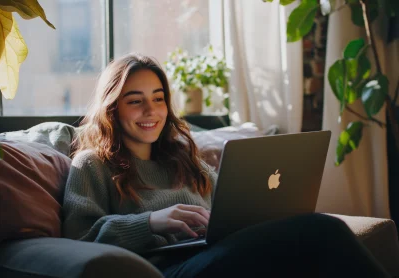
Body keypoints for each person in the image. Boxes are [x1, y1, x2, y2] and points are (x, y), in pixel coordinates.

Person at [62, 53, 390, 278]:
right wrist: (150, 222)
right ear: (112, 108)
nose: (151, 110)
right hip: (164, 268)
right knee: (322, 229)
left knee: (312, 241)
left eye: (158, 98)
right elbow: (77, 238)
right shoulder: (92, 164)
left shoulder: (184, 160)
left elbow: (231, 210)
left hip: (216, 255)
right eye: (135, 101)